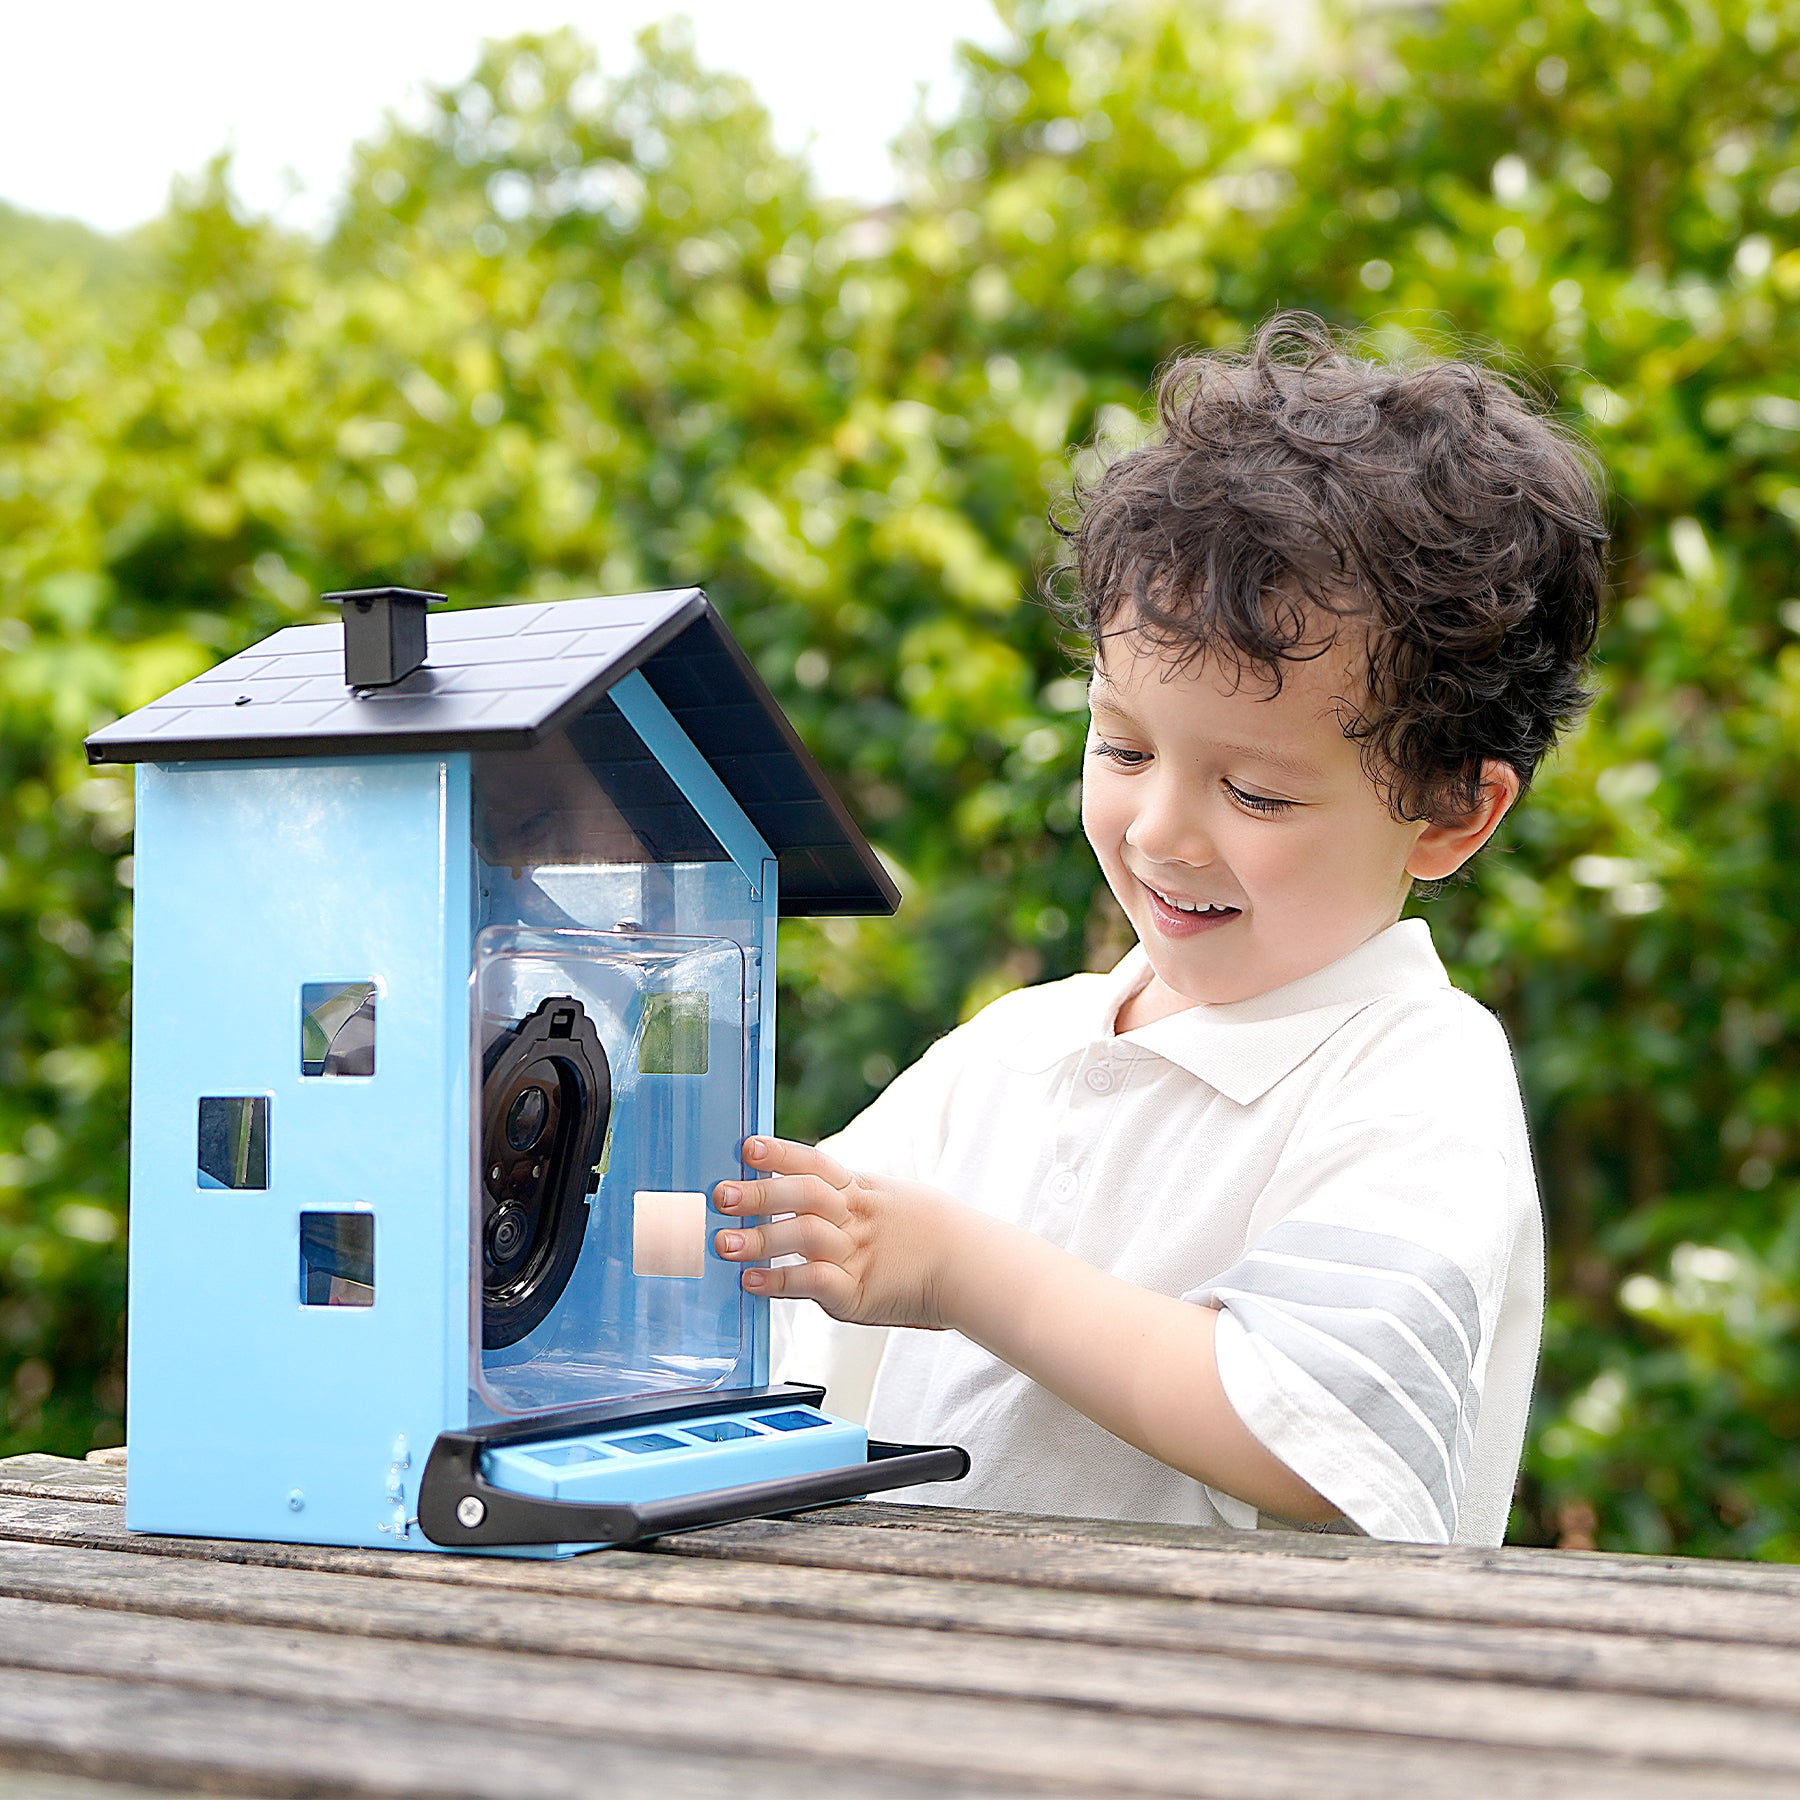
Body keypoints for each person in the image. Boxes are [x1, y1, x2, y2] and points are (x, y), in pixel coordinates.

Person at [711, 313, 1608, 1545]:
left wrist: (957, 1270)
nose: (1161, 833)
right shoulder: (1016, 1053)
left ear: (1452, 813)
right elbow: (773, 1249)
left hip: (1234, 1720)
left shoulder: (1409, 1074)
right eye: (1123, 747)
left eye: (1257, 792)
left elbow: (1307, 1434)